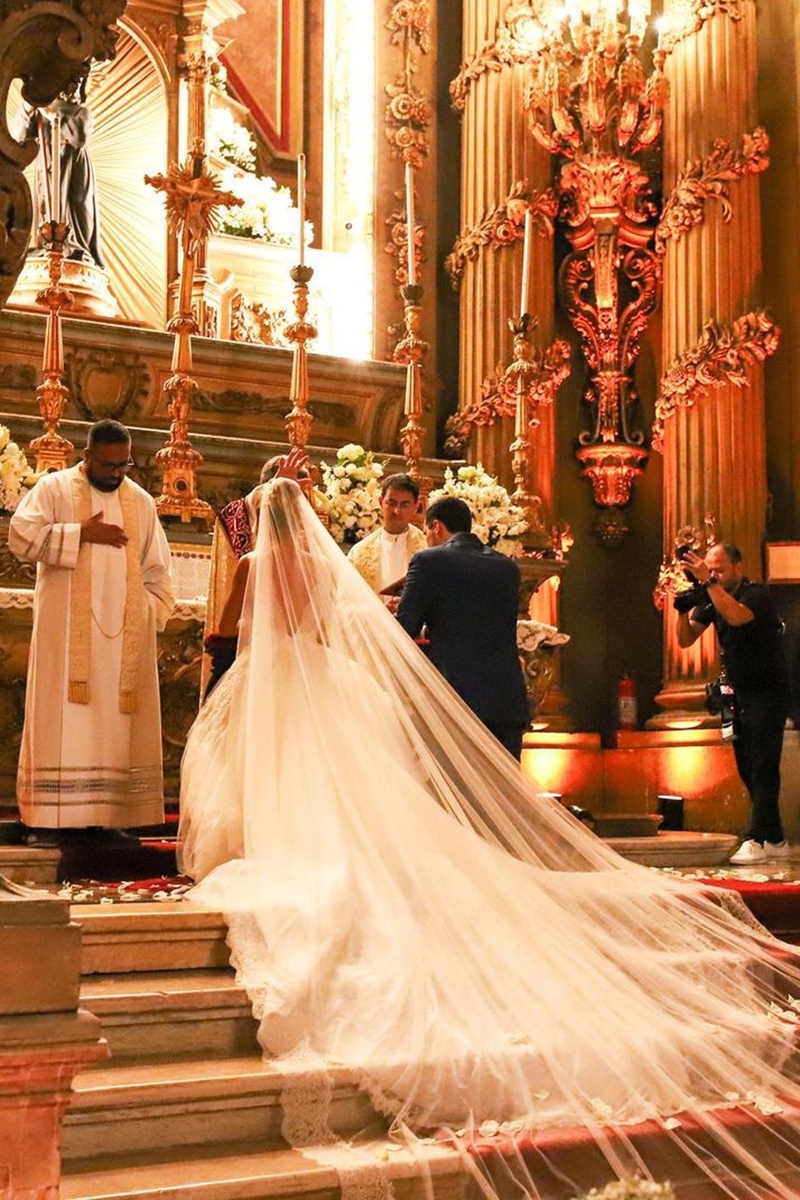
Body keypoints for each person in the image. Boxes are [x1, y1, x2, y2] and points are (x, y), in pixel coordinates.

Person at [179, 468, 800, 1200]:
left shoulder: (258, 564)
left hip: (279, 680)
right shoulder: (339, 567)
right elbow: (342, 628)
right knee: (344, 788)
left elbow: (235, 631)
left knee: (267, 770)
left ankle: (271, 844)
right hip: (350, 682)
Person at [9, 420, 175, 844]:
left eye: (124, 465)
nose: (116, 473)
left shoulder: (141, 502)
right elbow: (20, 536)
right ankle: (52, 819)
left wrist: (147, 612)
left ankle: (108, 816)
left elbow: (158, 571)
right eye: (107, 464)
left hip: (123, 644)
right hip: (65, 642)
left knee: (114, 729)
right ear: (86, 456)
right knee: (68, 720)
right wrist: (82, 533)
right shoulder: (55, 490)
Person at [676, 542, 790, 866]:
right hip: (729, 691)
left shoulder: (757, 595)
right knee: (744, 765)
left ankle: (756, 837)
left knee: (763, 763)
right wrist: (682, 608)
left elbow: (736, 616)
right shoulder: (712, 596)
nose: (713, 575)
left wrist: (707, 584)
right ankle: (775, 837)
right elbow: (686, 639)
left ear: (738, 567)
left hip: (766, 691)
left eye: (719, 569)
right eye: (709, 570)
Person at [396, 495, 529, 758]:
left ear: (436, 526)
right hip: (506, 701)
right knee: (503, 794)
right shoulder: (507, 567)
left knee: (456, 795)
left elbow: (405, 627)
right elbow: (476, 621)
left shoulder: (429, 561)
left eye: (426, 533)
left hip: (457, 700)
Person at [16, 82, 105, 267]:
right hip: (46, 165)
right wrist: (28, 107)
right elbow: (17, 139)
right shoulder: (37, 111)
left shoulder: (81, 112)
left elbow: (79, 137)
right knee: (45, 206)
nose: (73, 86)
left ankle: (76, 246)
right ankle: (48, 245)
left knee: (78, 206)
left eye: (77, 83)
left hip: (74, 165)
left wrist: (53, 115)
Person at [346, 472, 427, 597]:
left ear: (415, 507)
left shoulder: (428, 547)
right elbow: (347, 598)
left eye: (405, 505)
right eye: (392, 503)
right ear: (380, 502)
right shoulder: (359, 553)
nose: (397, 511)